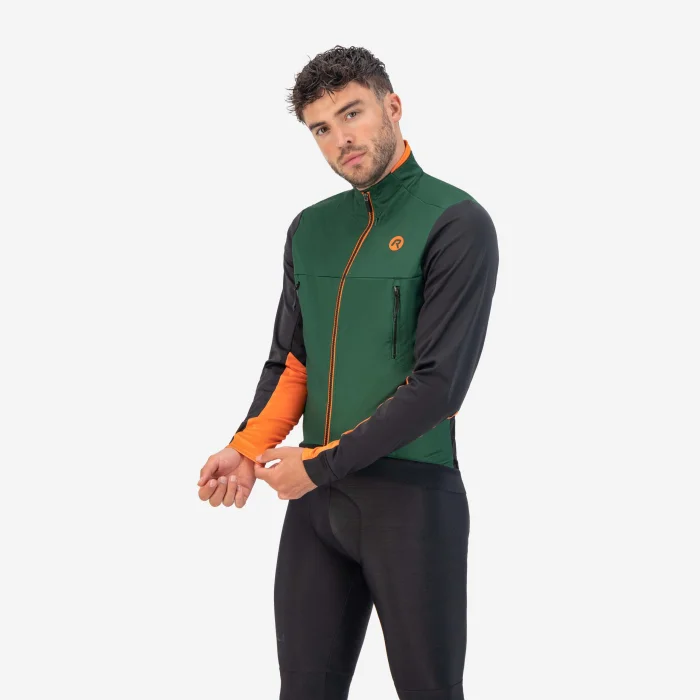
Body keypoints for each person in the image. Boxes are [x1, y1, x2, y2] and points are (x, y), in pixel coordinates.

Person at [197, 45, 499, 700]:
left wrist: (319, 465)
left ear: (392, 107)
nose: (341, 139)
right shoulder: (311, 229)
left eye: (352, 113)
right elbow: (292, 361)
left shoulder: (455, 222)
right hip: (317, 510)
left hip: (412, 502)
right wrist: (246, 448)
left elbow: (439, 386)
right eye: (321, 128)